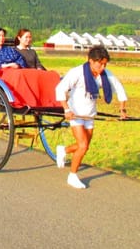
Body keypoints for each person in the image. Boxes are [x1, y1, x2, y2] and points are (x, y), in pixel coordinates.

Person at [55, 45, 128, 189]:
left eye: (105, 64)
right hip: (75, 113)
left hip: (89, 115)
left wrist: (122, 109)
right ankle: (73, 176)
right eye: (100, 63)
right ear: (90, 61)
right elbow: (60, 89)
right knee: (83, 145)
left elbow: (120, 89)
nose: (102, 67)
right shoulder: (77, 72)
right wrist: (66, 109)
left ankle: (63, 150)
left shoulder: (106, 74)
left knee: (85, 146)